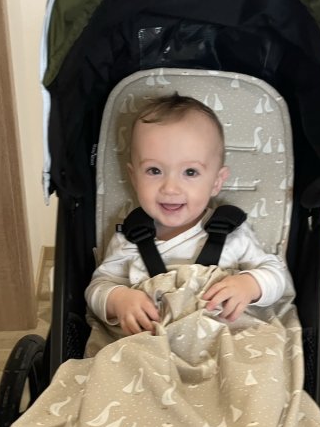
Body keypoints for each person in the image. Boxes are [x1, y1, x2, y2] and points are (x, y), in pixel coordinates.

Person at [86, 93, 292, 336]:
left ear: (216, 182)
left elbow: (277, 275)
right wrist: (118, 298)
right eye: (154, 171)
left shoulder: (232, 233)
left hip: (223, 343)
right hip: (152, 346)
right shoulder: (129, 238)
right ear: (134, 177)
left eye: (190, 172)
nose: (170, 188)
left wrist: (250, 284)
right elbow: (97, 287)